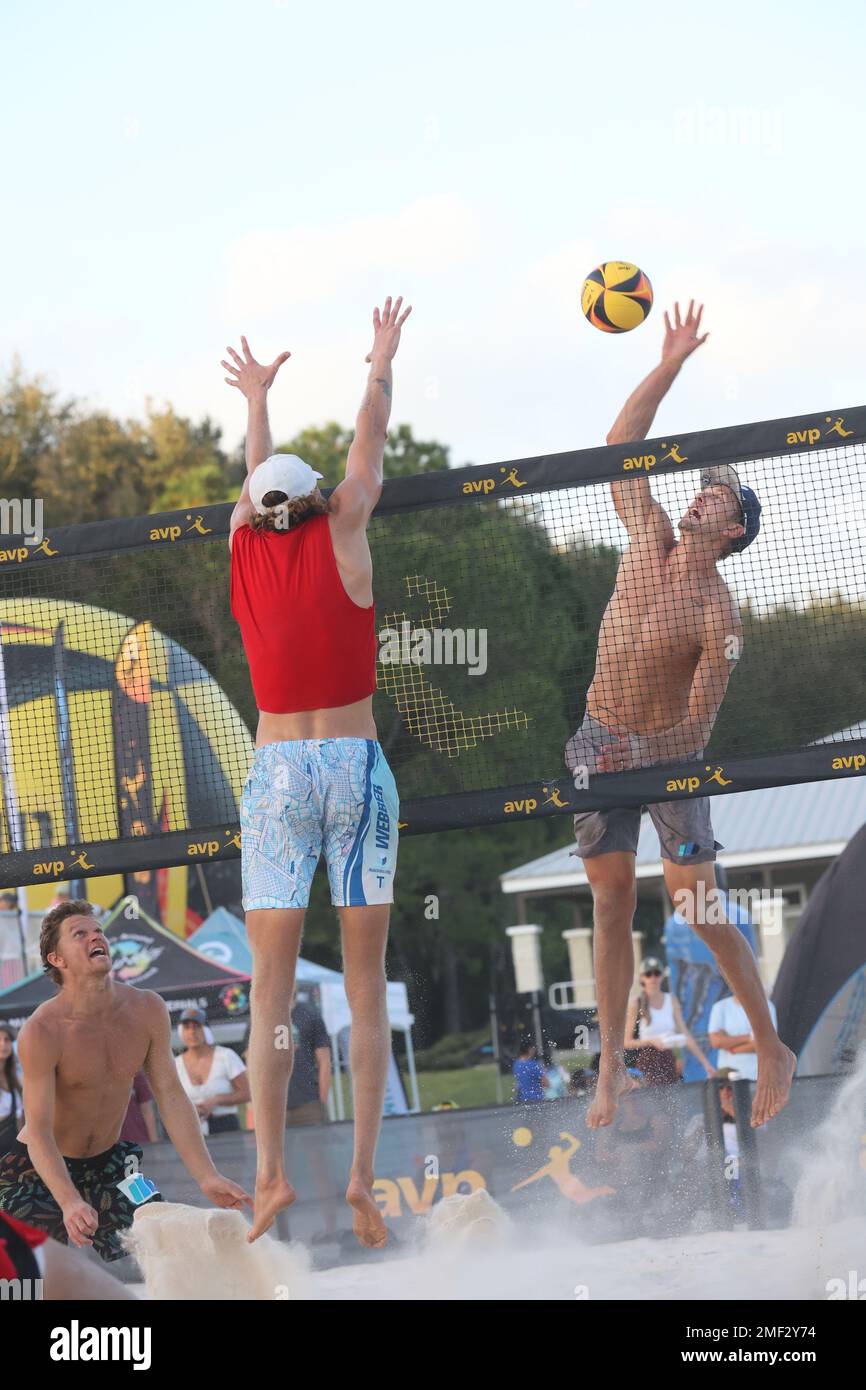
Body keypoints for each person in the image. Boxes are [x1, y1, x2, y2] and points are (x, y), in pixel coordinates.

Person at [564, 300, 795, 1130]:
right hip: (598, 735)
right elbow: (619, 446)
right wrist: (668, 364)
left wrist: (651, 756)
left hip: (664, 756)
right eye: (704, 485)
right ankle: (611, 1066)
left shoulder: (718, 616)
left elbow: (699, 731)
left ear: (732, 529)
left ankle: (769, 1041)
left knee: (697, 909)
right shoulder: (645, 531)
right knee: (611, 901)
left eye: (718, 493)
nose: (703, 493)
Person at [224, 295, 410, 1246]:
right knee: (366, 988)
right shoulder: (346, 530)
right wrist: (377, 360)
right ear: (319, 504)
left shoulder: (240, 546)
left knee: (270, 996)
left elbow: (257, 478)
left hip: (277, 773)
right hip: (353, 766)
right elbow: (367, 441)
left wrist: (255, 397)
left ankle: (266, 1179)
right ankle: (366, 1181)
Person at [0, 900, 251, 1262]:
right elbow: (38, 1132)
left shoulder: (147, 1009)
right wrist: (69, 1201)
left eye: (98, 931)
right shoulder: (43, 1030)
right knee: (30, 1272)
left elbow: (170, 1094)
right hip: (39, 1166)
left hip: (111, 1164)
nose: (96, 937)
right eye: (80, 934)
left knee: (160, 1240)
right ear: (57, 959)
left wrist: (207, 1175)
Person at [625, 957, 715, 1085]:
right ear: (642, 978)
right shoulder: (636, 1003)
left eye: (656, 973)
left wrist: (706, 1064)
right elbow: (626, 1042)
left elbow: (685, 1034)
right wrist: (650, 1041)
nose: (653, 978)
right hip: (648, 1061)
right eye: (648, 974)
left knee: (673, 1100)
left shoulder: (671, 1000)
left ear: (662, 976)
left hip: (670, 1059)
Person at [175, 1008, 249, 1136]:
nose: (192, 1032)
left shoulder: (226, 1056)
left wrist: (216, 1100)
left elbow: (247, 1093)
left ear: (206, 1030)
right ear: (182, 1032)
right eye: (187, 1027)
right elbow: (171, 1100)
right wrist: (191, 1110)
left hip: (226, 1126)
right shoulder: (175, 1064)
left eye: (197, 1027)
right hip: (191, 1129)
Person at [708, 990, 779, 1081]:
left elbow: (767, 1044)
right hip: (727, 1078)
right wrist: (750, 1037)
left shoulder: (767, 1006)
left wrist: (731, 1048)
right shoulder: (720, 1007)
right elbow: (716, 1042)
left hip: (757, 1075)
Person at [120, 1069, 159, 1146]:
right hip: (108, 1147)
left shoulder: (134, 1071)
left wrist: (155, 1145)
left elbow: (147, 1110)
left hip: (139, 1142)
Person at [0, 1025, 24, 1151]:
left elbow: (20, 1117)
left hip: (14, 1150)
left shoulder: (17, 1076)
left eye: (7, 1039)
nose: (3, 1044)